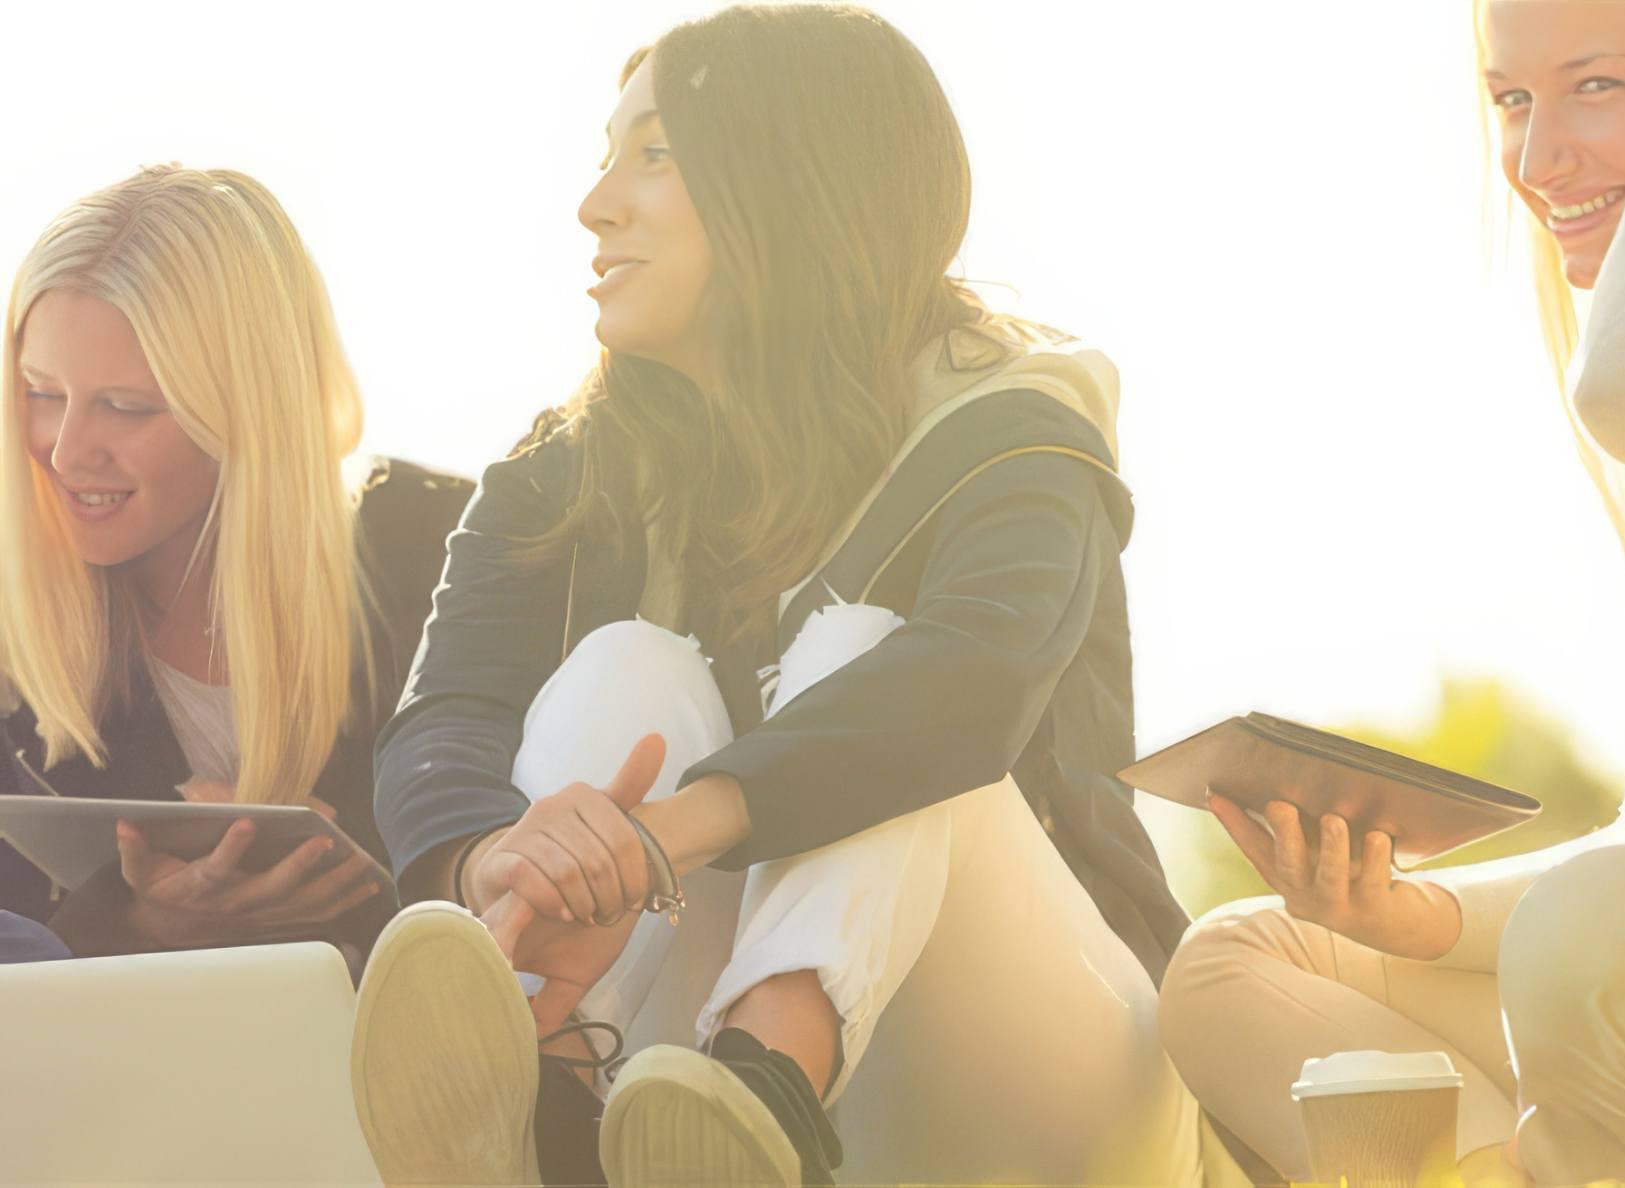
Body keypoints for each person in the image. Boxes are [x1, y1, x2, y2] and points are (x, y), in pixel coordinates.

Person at [349, 6, 1201, 1186]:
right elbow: (442, 722)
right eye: (605, 157)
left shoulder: (1016, 425)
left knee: (873, 660)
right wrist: (502, 860)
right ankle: (531, 1083)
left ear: (795, 183)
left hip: (1045, 1074)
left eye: (654, 154)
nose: (596, 203)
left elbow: (974, 683)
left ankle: (766, 1085)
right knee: (624, 670)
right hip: (661, 1070)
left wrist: (657, 835)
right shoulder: (565, 470)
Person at [1157, 0, 1625, 1182]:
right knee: (1244, 960)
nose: (1534, 158)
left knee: (1597, 919)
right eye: (1512, 100)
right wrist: (1418, 916)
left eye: (1598, 87)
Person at [0, 165, 473, 964]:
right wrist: (133, 927)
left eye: (126, 406)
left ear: (249, 407)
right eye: (42, 391)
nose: (67, 449)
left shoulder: (440, 552)